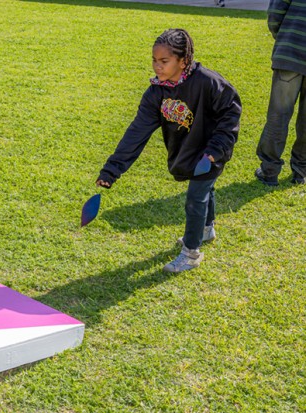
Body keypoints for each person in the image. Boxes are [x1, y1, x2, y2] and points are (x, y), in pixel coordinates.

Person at [96, 28, 241, 273]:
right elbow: (137, 132)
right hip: (187, 149)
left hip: (211, 149)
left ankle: (191, 253)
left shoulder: (208, 82)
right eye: (154, 60)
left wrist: (215, 150)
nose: (157, 66)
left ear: (183, 61)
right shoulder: (157, 92)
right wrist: (112, 170)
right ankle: (206, 229)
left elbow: (231, 111)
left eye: (164, 61)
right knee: (205, 189)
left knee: (196, 197)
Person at [255, 0, 306, 186]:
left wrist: (284, 35)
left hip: (290, 51)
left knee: (278, 116)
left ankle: (269, 170)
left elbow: (275, 13)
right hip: (290, 50)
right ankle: (301, 171)